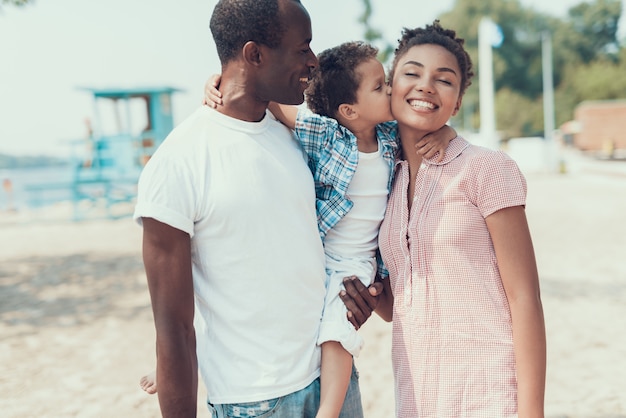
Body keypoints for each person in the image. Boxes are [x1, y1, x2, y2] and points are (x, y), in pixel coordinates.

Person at [142, 40, 456, 417]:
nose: (389, 90)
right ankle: (169, 366)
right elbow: (273, 103)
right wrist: (220, 81)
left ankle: (328, 408)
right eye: (379, 87)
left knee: (338, 330)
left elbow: (424, 123)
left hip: (353, 261)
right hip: (321, 255)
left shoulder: (390, 137)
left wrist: (447, 134)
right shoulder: (327, 136)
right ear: (348, 110)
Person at [134, 1, 367, 416]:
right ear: (254, 54)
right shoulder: (180, 163)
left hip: (335, 382)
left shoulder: (296, 135)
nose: (313, 61)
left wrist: (354, 300)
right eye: (302, 49)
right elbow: (173, 333)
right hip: (255, 402)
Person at [343, 21, 547, 417]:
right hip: (418, 395)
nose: (426, 86)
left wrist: (532, 411)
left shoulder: (487, 169)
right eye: (412, 73)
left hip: (489, 393)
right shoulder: (384, 179)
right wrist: (365, 296)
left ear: (457, 100)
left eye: (444, 80)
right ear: (390, 87)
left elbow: (525, 299)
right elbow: (400, 302)